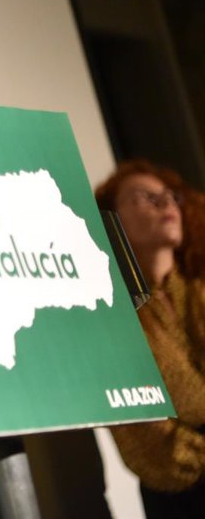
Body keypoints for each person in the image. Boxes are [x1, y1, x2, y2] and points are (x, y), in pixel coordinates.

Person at [96, 160, 205, 519]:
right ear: (112, 221)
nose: (165, 203)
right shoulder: (113, 318)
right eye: (143, 197)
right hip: (183, 492)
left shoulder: (199, 288)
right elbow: (141, 432)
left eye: (169, 195)